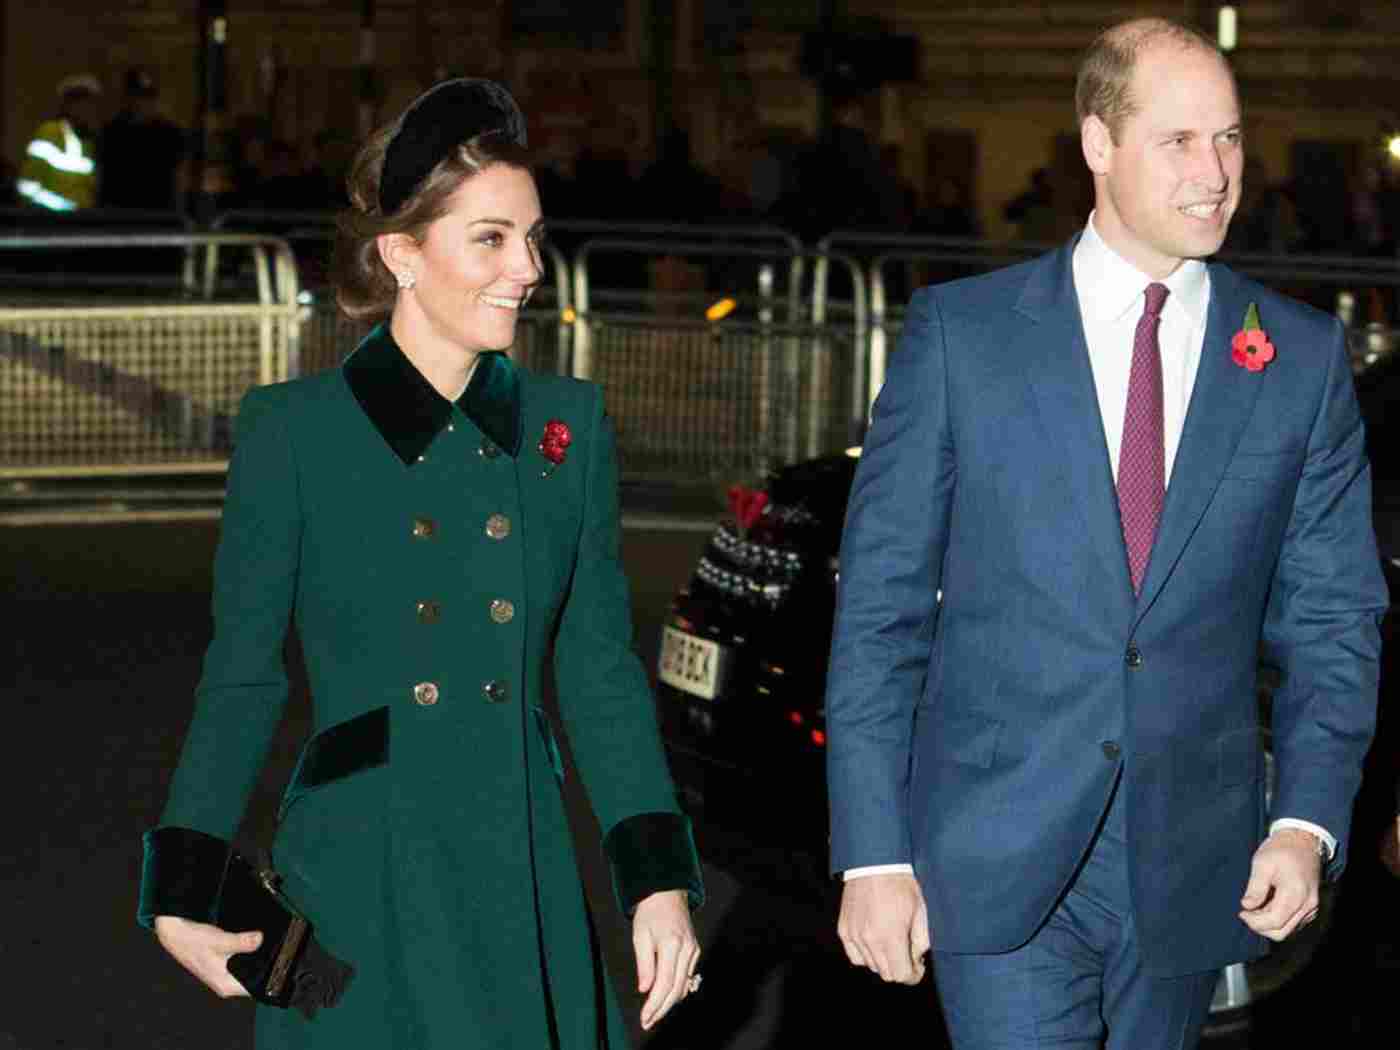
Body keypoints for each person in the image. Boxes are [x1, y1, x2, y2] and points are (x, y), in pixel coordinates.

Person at [825, 17, 1385, 1050]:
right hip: (992, 855)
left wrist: (1305, 821)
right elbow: (878, 614)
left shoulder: (1296, 361)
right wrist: (872, 854)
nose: (1214, 171)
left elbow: (1332, 618)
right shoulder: (963, 338)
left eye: (1227, 138)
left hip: (1186, 864)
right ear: (1096, 143)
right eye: (1177, 140)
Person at [137, 78, 704, 1048]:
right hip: (360, 867)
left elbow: (598, 672)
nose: (526, 267)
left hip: (516, 858)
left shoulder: (566, 430)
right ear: (401, 253)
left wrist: (656, 883)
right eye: (490, 237)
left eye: (531, 236)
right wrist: (183, 881)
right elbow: (242, 676)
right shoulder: (294, 433)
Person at [98, 68, 187, 211]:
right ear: (127, 98)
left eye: (148, 97)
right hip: (118, 215)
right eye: (138, 96)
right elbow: (101, 177)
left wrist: (179, 213)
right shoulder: (111, 132)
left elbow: (179, 178)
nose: (143, 103)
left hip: (160, 216)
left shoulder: (170, 133)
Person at [17, 73, 101, 211]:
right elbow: (27, 186)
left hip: (80, 225)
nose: (85, 108)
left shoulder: (89, 141)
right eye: (78, 102)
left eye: (89, 103)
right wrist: (64, 207)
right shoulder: (49, 133)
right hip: (49, 223)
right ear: (67, 105)